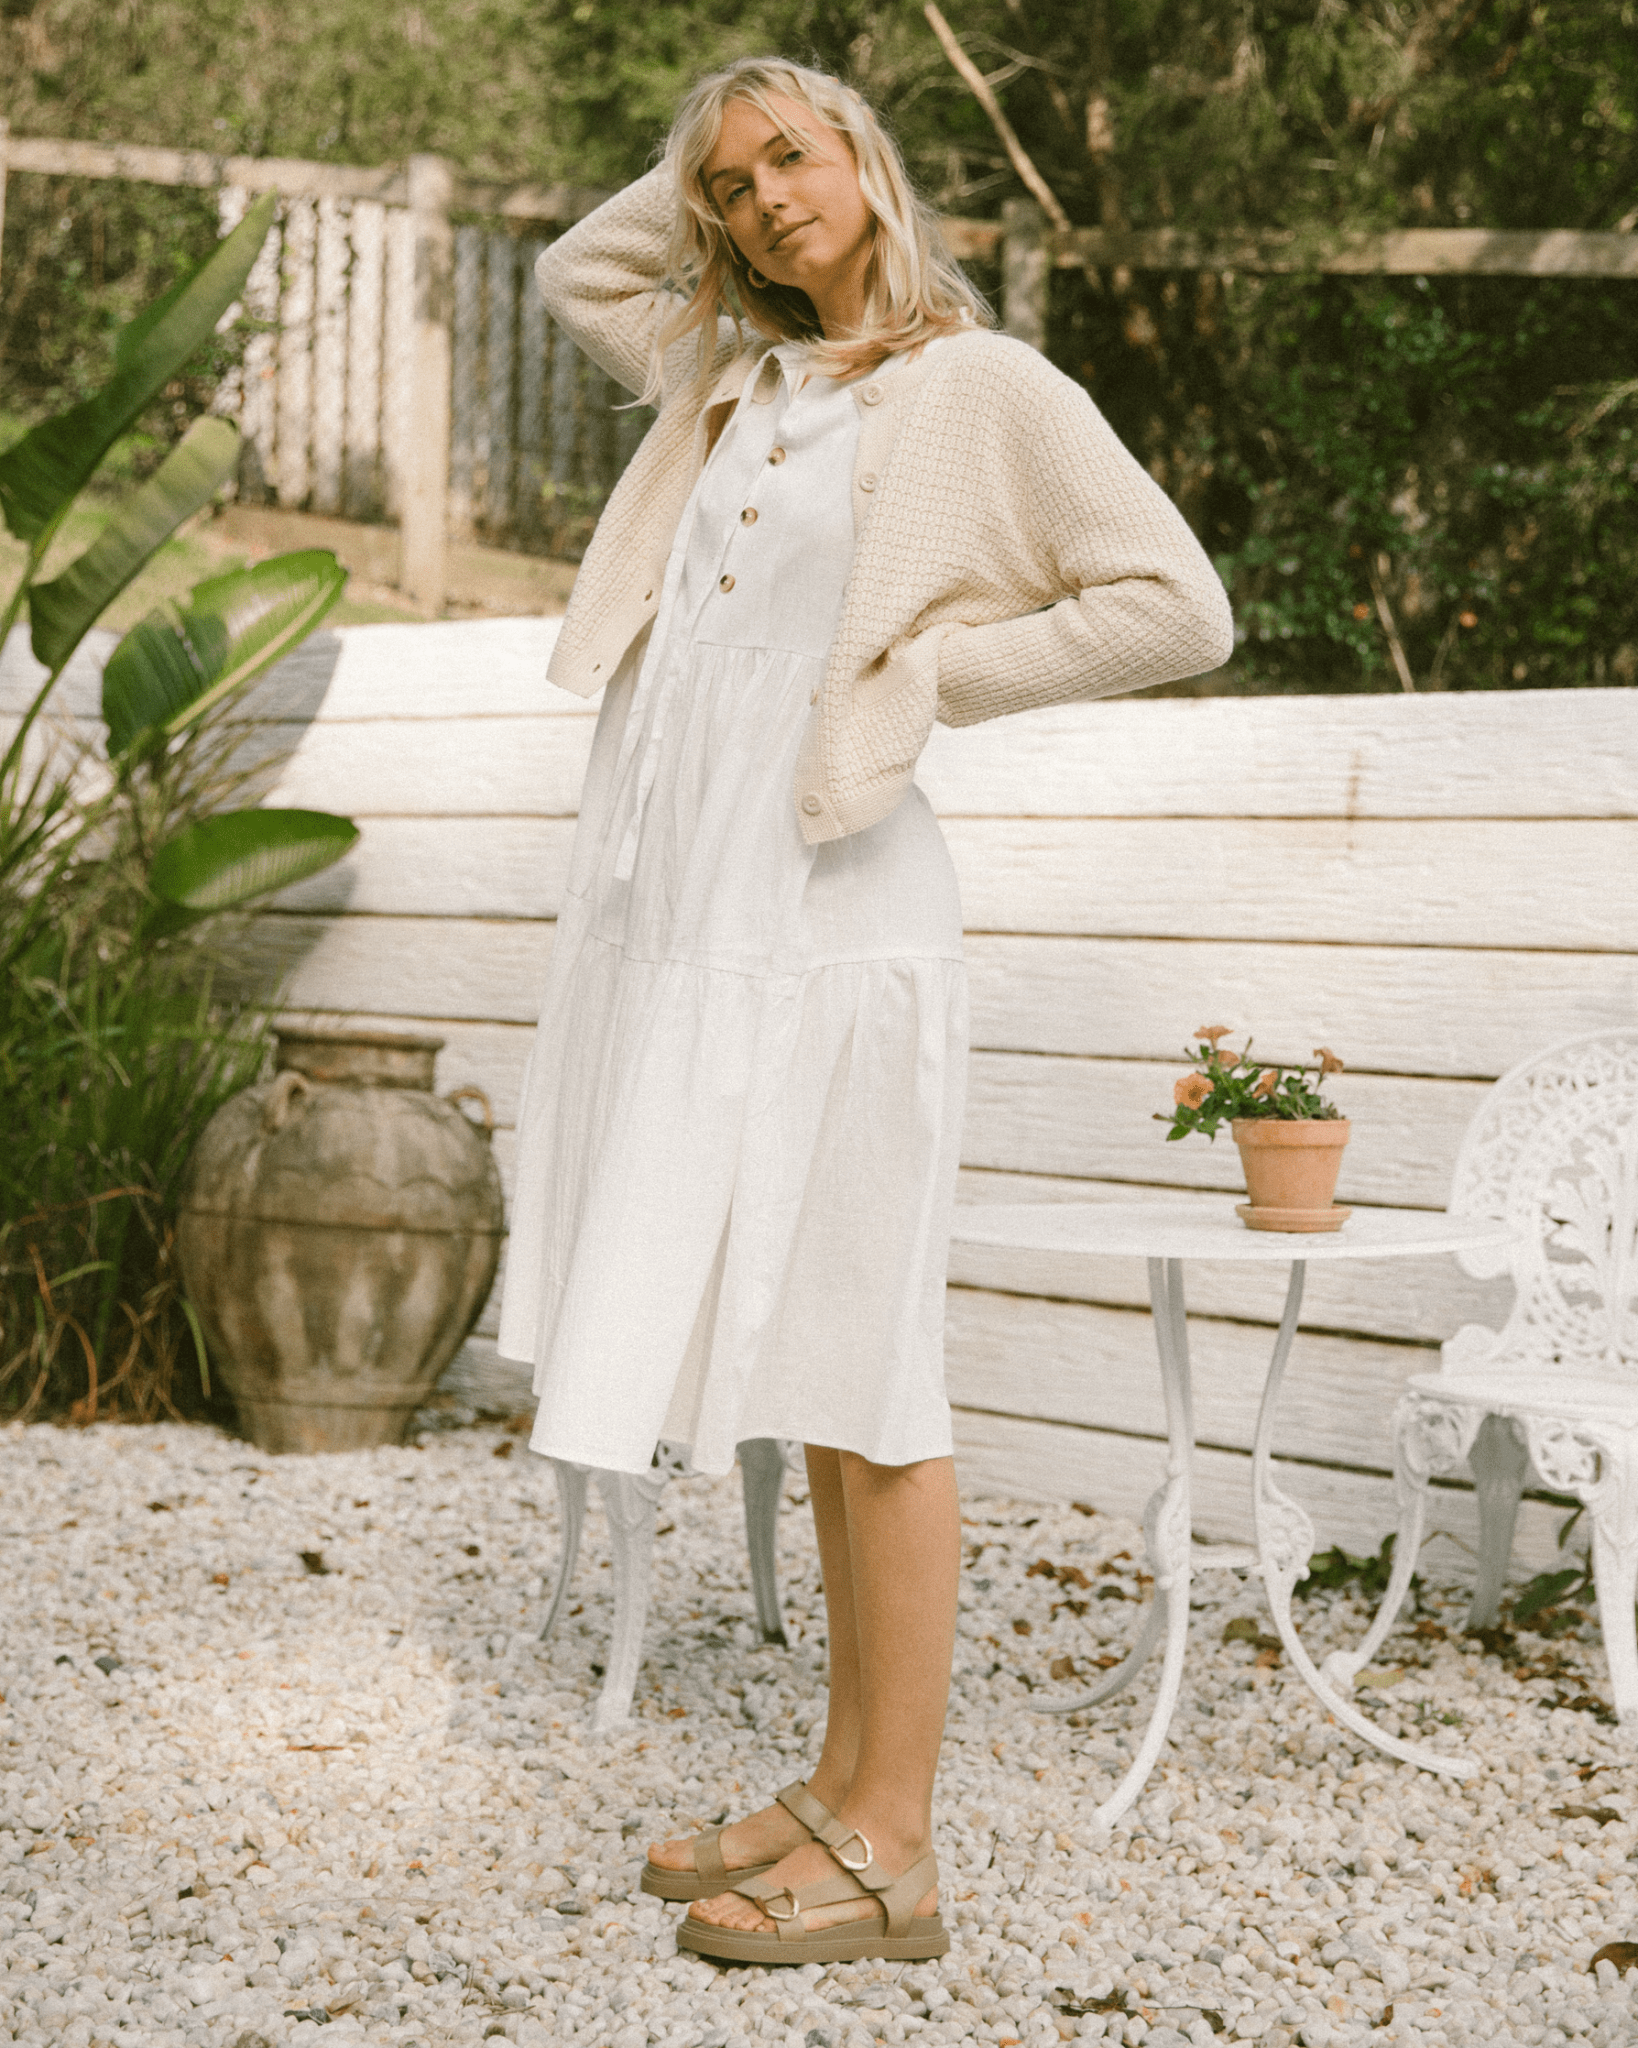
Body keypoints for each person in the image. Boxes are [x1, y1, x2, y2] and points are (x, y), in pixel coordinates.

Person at [496, 56, 1233, 1967]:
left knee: (872, 1377)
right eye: (729, 188)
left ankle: (898, 1847)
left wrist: (925, 680)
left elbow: (1177, 605)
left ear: (868, 160)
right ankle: (837, 1788)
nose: (761, 201)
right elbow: (583, 269)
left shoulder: (978, 388)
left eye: (791, 159)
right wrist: (709, 151)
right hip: (699, 923)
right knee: (808, 1376)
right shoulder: (729, 371)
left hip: (839, 927)